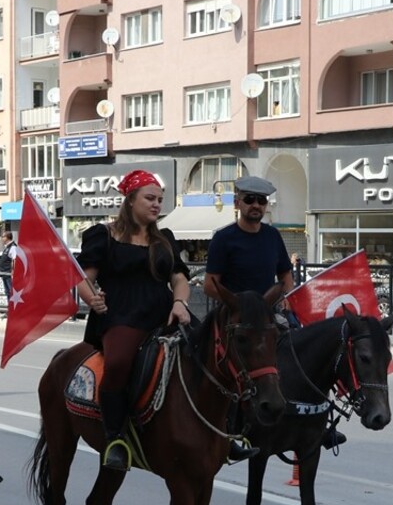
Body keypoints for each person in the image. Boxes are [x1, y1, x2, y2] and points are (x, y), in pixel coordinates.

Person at [75, 169, 192, 470]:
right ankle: (115, 437)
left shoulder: (165, 238)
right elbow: (82, 278)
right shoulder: (104, 235)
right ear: (130, 201)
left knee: (213, 349)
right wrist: (92, 299)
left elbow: (179, 277)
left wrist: (180, 302)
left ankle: (227, 431)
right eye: (150, 198)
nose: (156, 204)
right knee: (118, 364)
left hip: (165, 312)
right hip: (121, 315)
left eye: (160, 200)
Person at [203, 175, 297, 459]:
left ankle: (312, 420)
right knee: (229, 366)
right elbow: (210, 284)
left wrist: (283, 298)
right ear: (238, 203)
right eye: (250, 200)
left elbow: (286, 276)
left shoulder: (272, 236)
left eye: (261, 201)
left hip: (268, 312)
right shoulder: (224, 238)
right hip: (234, 316)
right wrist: (240, 304)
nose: (256, 205)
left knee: (299, 346)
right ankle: (230, 431)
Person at [0, 232, 16, 303]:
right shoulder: (7, 247)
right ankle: (9, 309)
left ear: (7, 237)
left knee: (11, 292)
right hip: (4, 273)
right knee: (8, 292)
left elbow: (15, 259)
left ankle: (13, 310)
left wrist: (13, 271)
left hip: (9, 274)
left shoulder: (13, 247)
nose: (2, 238)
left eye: (3, 237)